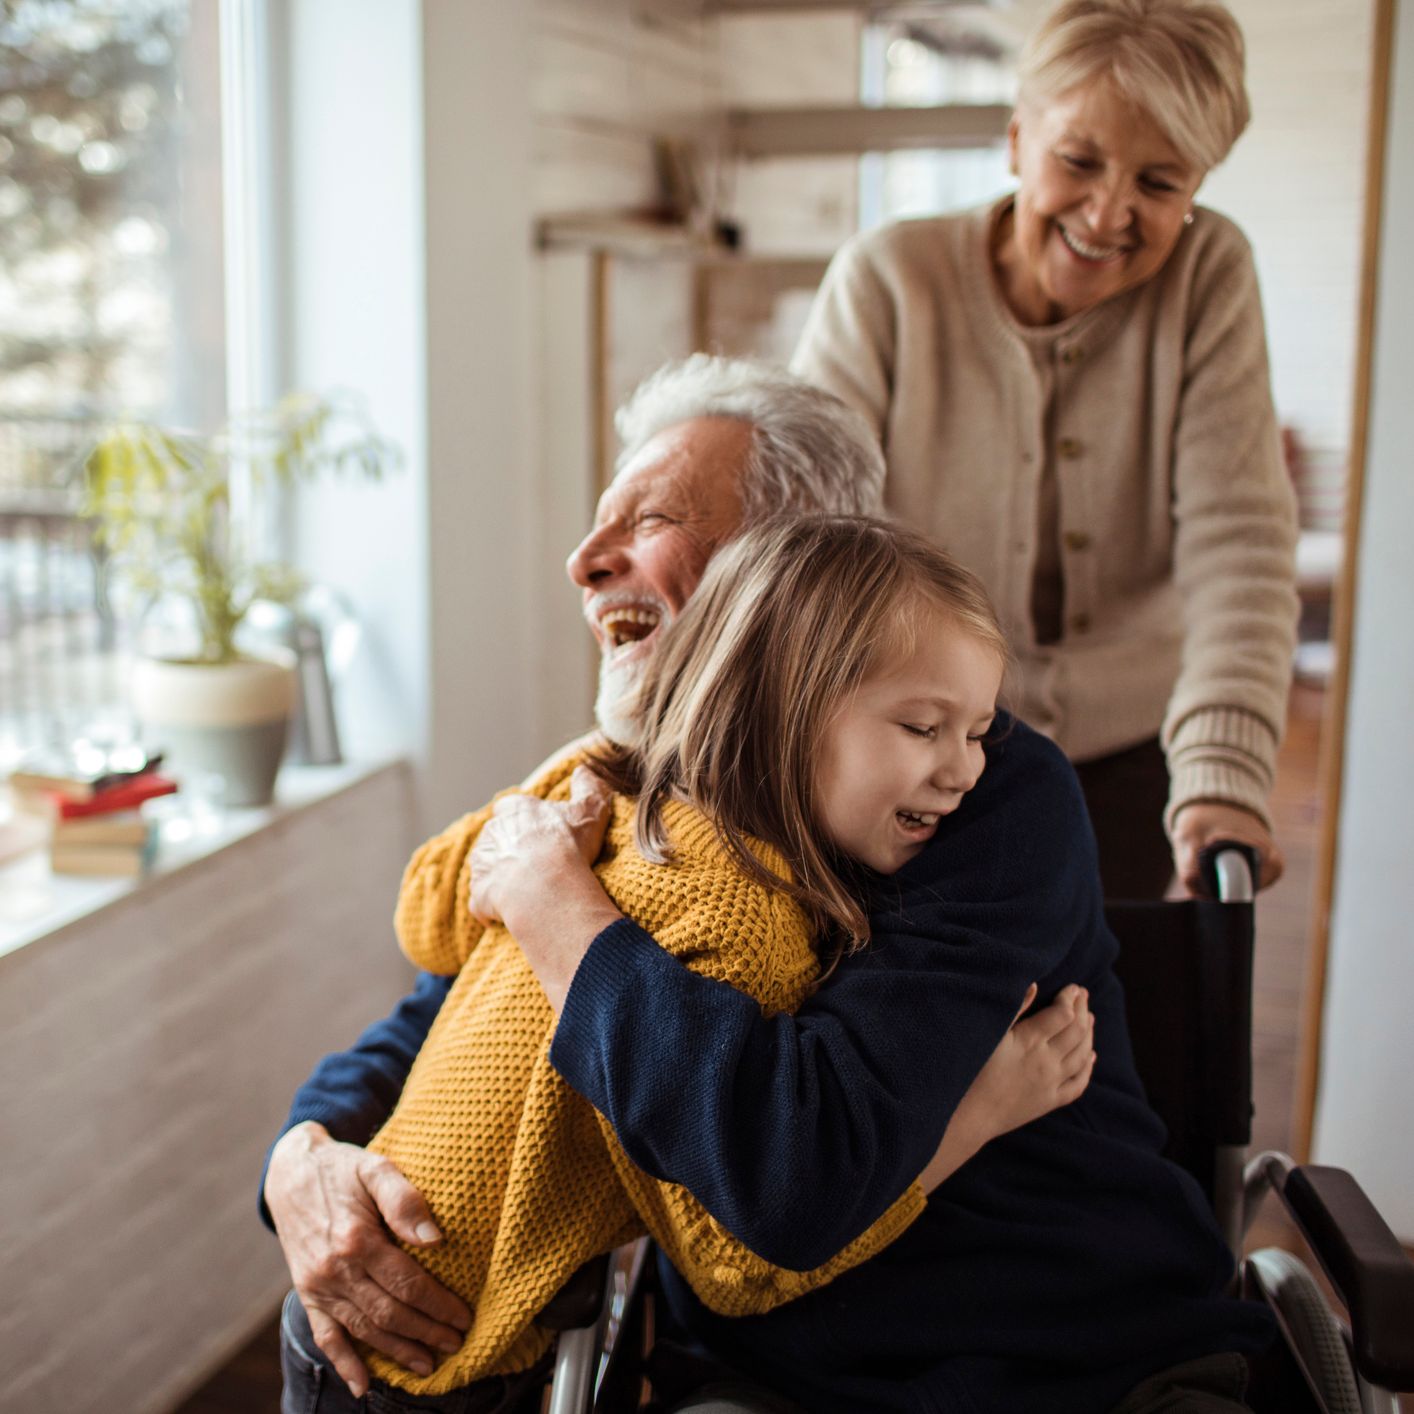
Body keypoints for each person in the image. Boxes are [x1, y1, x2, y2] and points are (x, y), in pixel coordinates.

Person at [264, 357, 1275, 1413]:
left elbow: (792, 1177)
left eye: (646, 518)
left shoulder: (983, 798)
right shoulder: (626, 795)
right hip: (760, 1379)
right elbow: (453, 1012)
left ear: (790, 575)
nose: (583, 560)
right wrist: (305, 1157)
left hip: (1069, 1362)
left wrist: (557, 905)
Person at [292, 516, 1092, 1408]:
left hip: (387, 1341)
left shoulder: (607, 807)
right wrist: (973, 1114)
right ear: (785, 701)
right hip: (435, 1362)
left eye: (975, 732)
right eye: (923, 727)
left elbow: (425, 920)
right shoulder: (738, 921)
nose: (966, 772)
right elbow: (737, 1264)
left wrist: (543, 810)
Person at [790, 0, 1300, 900]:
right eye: (1079, 161)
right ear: (1018, 140)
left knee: (1119, 1022)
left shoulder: (1209, 275)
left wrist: (1223, 775)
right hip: (915, 750)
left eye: (1160, 182)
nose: (1110, 213)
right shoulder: (888, 279)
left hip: (1134, 751)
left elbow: (1241, 544)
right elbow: (805, 534)